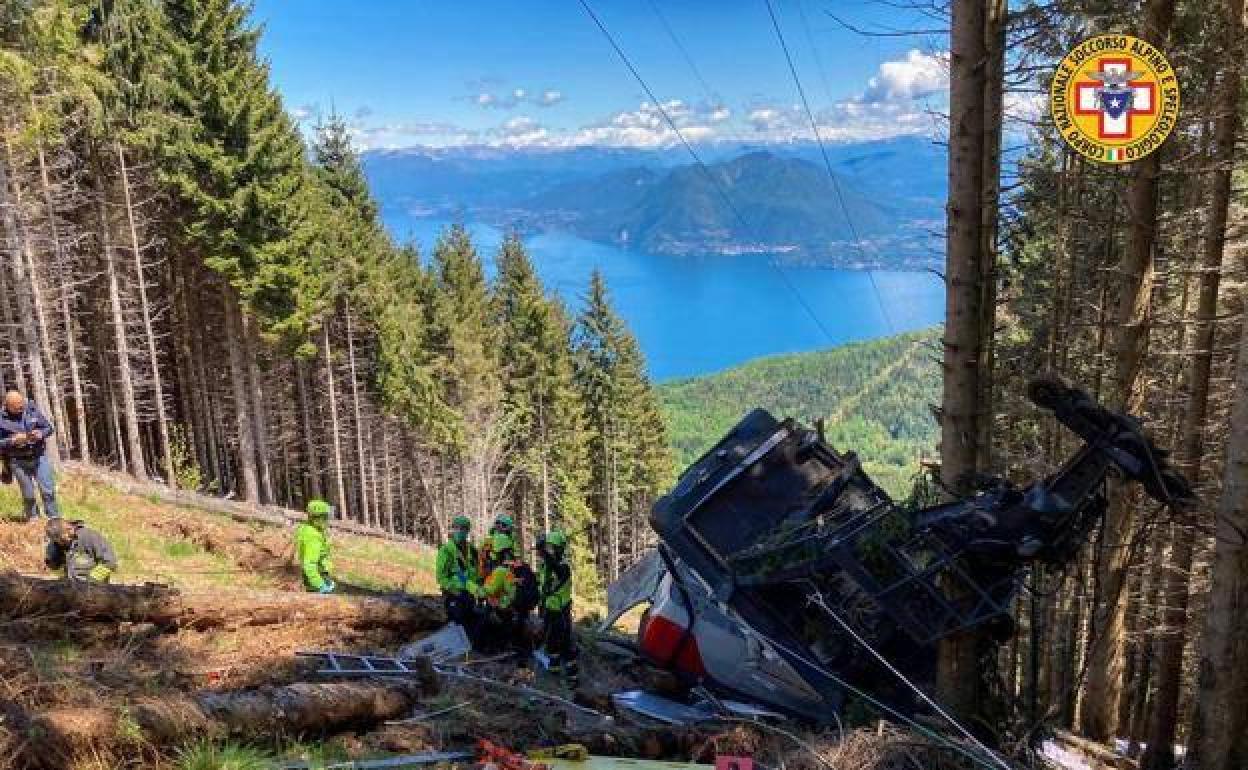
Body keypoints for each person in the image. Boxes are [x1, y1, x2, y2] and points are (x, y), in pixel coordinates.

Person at [0, 391, 59, 520]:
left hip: (39, 457)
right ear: (7, 406)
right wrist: (12, 441)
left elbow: (48, 428)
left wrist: (40, 434)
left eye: (22, 405)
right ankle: (33, 520)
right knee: (28, 495)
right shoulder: (1, 419)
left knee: (48, 491)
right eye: (17, 408)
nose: (21, 409)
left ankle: (54, 519)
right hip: (18, 461)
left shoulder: (31, 410)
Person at [537, 529, 578, 687]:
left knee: (566, 645)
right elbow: (543, 587)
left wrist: (544, 552)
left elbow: (558, 571)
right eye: (548, 547)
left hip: (561, 612)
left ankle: (573, 679)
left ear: (559, 549)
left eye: (552, 548)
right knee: (551, 643)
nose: (550, 551)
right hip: (549, 611)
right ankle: (553, 673)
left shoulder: (563, 567)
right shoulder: (545, 567)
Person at [436, 515, 482, 642]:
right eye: (457, 528)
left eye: (463, 528)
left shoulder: (472, 550)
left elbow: (476, 573)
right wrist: (453, 590)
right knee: (457, 625)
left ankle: (470, 653)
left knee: (473, 625)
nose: (460, 531)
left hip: (470, 596)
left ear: (467, 531)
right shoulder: (447, 550)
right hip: (455, 595)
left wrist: (479, 589)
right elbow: (441, 577)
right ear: (453, 529)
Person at [45, 518, 117, 584]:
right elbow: (55, 568)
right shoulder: (57, 544)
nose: (60, 543)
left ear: (69, 529)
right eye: (56, 541)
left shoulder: (89, 537)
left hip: (94, 588)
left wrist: (91, 581)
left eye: (62, 540)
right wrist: (52, 557)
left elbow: (110, 562)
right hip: (70, 588)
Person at [295, 499, 336, 593]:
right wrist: (320, 584)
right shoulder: (312, 536)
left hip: (318, 574)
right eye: (325, 517)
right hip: (315, 578)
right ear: (318, 518)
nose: (327, 520)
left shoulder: (310, 529)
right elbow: (309, 564)